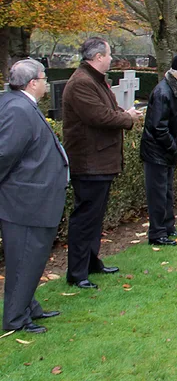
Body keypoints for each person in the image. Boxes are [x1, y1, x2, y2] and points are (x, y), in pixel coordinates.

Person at [63, 37, 141, 289]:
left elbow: (109, 109)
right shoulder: (81, 83)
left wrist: (124, 114)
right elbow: (98, 116)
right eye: (109, 54)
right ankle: (77, 272)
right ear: (97, 57)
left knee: (95, 216)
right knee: (85, 217)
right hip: (89, 161)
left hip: (100, 160)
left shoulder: (95, 81)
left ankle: (91, 262)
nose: (111, 58)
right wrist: (127, 117)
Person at [0, 60, 68, 333]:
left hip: (30, 198)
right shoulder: (18, 108)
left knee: (30, 258)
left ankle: (28, 306)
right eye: (43, 77)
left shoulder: (18, 103)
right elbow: (5, 154)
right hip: (25, 201)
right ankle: (16, 319)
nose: (45, 82)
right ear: (32, 83)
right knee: (24, 259)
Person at [139, 54, 177, 246]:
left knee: (167, 191)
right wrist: (172, 146)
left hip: (165, 151)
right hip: (158, 151)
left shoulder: (173, 88)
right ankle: (157, 232)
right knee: (158, 193)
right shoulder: (163, 91)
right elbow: (158, 126)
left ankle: (168, 226)